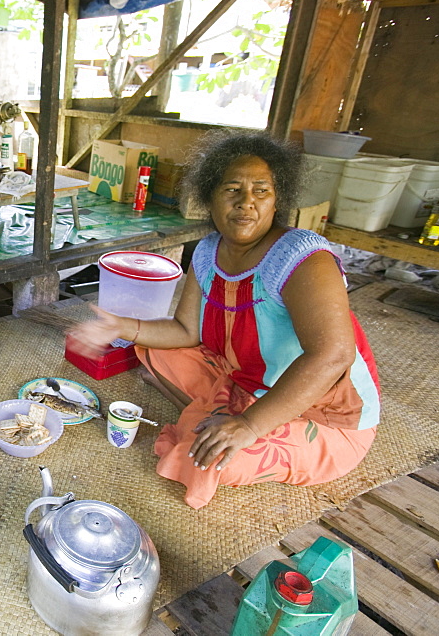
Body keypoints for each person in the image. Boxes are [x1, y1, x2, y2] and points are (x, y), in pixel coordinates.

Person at [69, 131, 380, 509]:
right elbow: (186, 332)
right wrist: (120, 326)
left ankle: (233, 416)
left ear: (276, 199)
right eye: (232, 189)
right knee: (149, 349)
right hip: (249, 377)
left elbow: (332, 356)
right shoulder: (207, 252)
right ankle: (226, 409)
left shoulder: (302, 256)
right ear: (209, 198)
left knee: (206, 461)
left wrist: (249, 426)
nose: (246, 202)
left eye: (261, 191)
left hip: (322, 411)